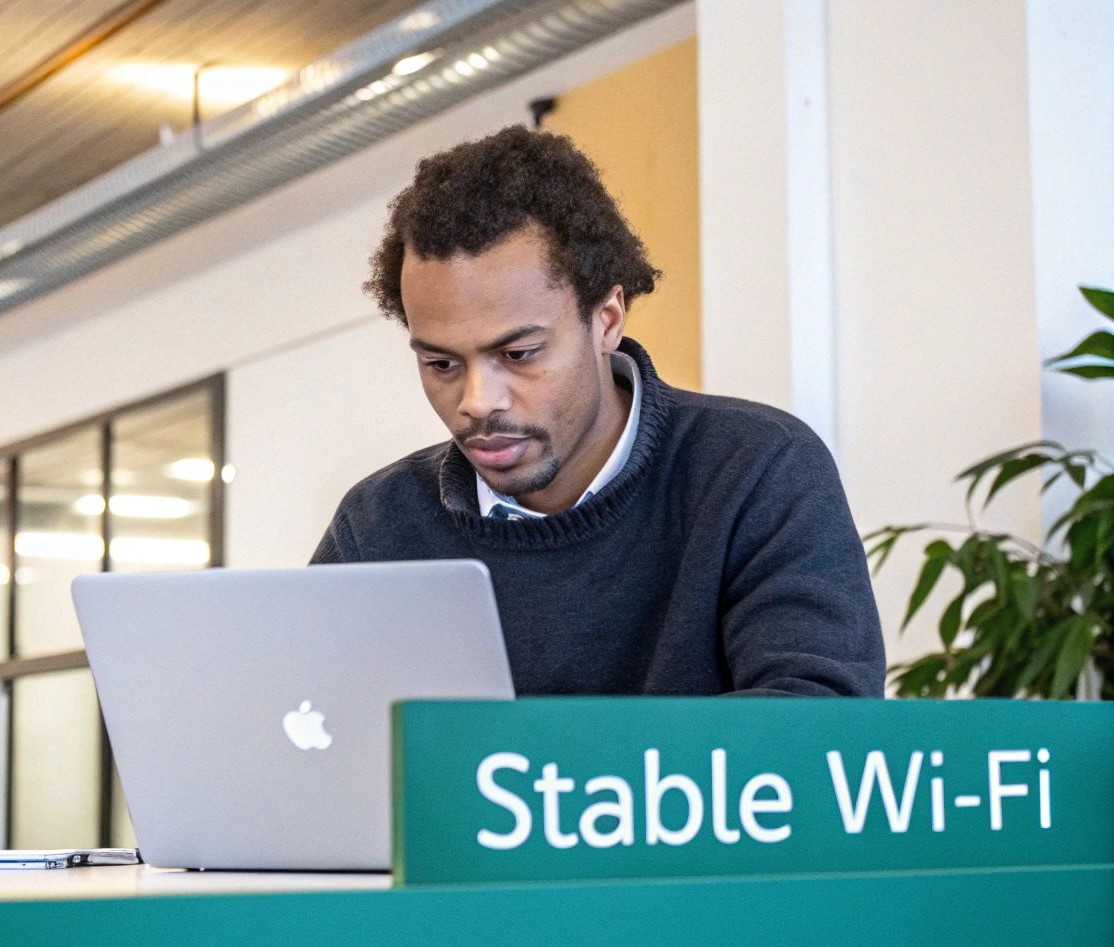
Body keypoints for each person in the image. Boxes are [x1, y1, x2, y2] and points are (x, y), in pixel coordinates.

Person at [311, 125, 884, 697]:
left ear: (607, 319)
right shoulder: (380, 525)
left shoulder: (755, 470)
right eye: (441, 364)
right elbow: (295, 721)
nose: (477, 402)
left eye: (519, 354)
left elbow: (821, 733)